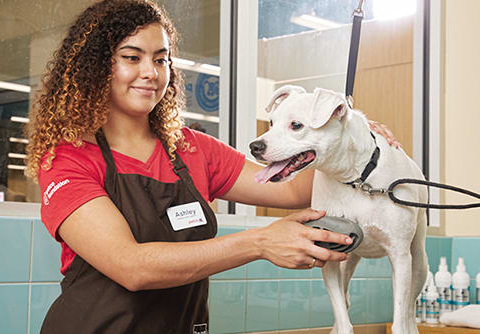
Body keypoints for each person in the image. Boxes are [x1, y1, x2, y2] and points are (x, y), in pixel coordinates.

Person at [25, 0, 400, 332]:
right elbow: (132, 267)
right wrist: (260, 242)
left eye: (161, 59)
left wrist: (345, 144)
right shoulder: (67, 158)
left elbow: (292, 189)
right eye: (132, 57)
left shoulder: (190, 149)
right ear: (97, 66)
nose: (151, 73)